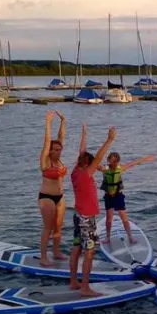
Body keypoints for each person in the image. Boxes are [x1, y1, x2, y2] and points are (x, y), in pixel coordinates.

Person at [69, 123, 116, 296]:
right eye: (93, 166)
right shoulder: (85, 174)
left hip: (77, 214)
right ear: (88, 164)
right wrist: (109, 140)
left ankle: (74, 281)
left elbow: (83, 153)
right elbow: (98, 157)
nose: (96, 168)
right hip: (87, 217)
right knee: (89, 251)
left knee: (76, 247)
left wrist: (84, 134)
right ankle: (85, 288)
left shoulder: (75, 171)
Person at [100, 151, 156, 245]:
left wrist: (146, 158)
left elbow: (134, 163)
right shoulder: (104, 169)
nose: (112, 163)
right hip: (108, 196)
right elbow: (94, 165)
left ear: (117, 161)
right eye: (110, 161)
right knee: (109, 219)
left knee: (123, 217)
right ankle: (108, 237)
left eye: (114, 161)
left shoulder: (120, 168)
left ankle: (130, 237)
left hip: (118, 196)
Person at [38, 110, 67, 267]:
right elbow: (48, 140)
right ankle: (43, 256)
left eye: (59, 149)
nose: (57, 151)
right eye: (54, 149)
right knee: (48, 228)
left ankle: (56, 252)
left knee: (58, 227)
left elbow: (60, 138)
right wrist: (48, 123)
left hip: (60, 197)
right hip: (47, 197)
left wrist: (63, 122)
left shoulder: (59, 161)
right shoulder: (45, 160)